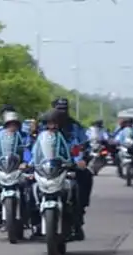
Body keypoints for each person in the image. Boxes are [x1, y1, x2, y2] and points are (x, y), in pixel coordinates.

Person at [52, 97, 88, 240]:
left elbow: (80, 146)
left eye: (64, 109)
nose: (61, 113)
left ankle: (78, 218)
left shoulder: (75, 127)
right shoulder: (43, 126)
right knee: (28, 185)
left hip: (69, 166)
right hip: (48, 168)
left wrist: (80, 160)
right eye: (58, 110)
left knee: (84, 179)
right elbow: (33, 146)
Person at [0, 111, 27, 229]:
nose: (12, 127)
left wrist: (25, 162)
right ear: (5, 125)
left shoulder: (21, 137)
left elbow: (26, 151)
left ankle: (26, 216)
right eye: (10, 124)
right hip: (4, 168)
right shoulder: (0, 137)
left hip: (17, 169)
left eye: (14, 124)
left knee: (27, 188)